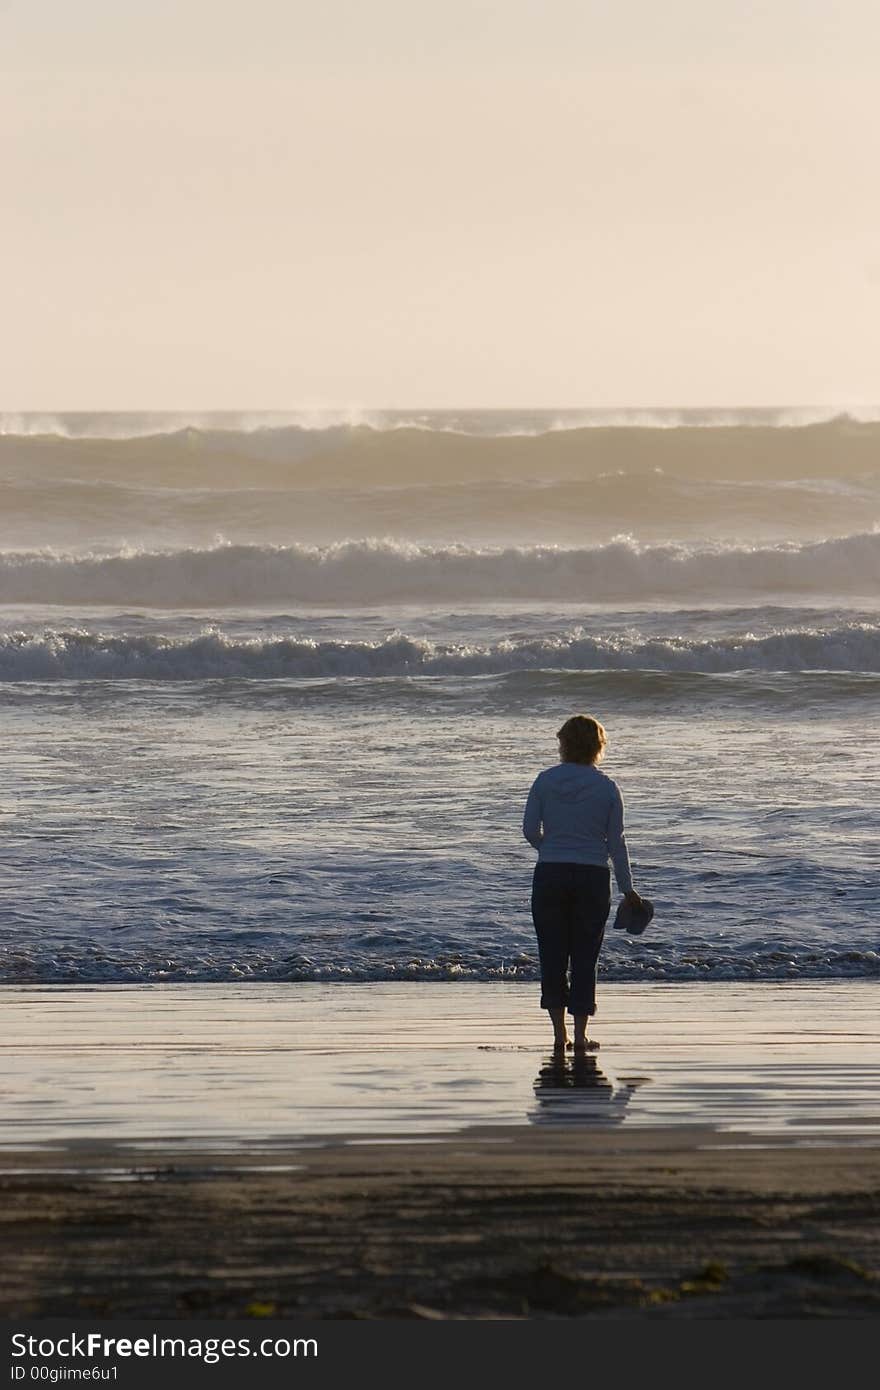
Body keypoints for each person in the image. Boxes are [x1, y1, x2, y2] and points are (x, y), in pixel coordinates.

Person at [523, 714, 645, 1054]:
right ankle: (579, 1035)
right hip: (592, 876)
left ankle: (558, 1033)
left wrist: (550, 848)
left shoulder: (545, 781)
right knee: (584, 957)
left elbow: (530, 830)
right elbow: (616, 843)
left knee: (552, 953)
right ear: (598, 746)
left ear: (563, 743)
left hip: (550, 874)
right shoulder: (606, 787)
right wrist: (628, 888)